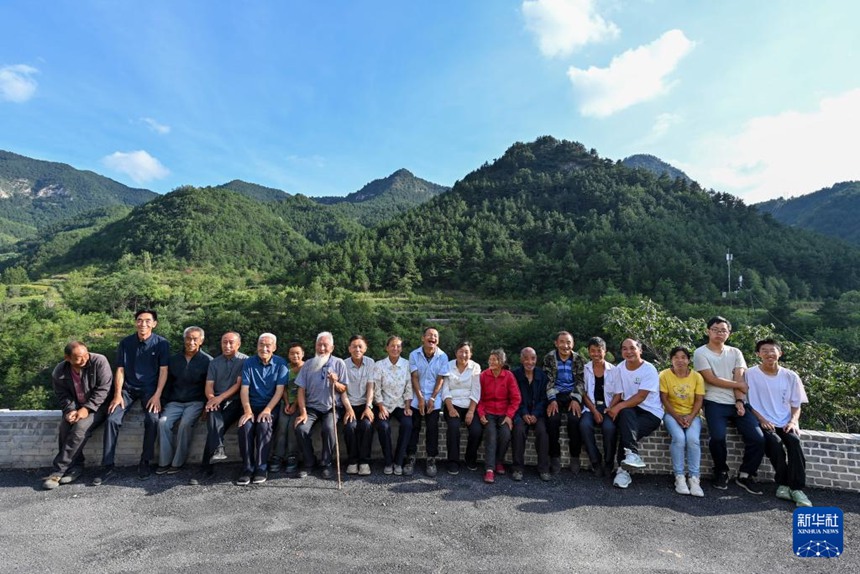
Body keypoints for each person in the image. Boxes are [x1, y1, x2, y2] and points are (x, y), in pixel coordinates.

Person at [95, 309, 170, 484]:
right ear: (135, 322)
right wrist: (117, 395)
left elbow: (164, 370)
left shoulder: (161, 344)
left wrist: (158, 395)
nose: (143, 324)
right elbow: (120, 369)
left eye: (147, 321)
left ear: (154, 323)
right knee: (112, 419)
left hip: (150, 389)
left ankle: (145, 461)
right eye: (139, 320)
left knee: (152, 419)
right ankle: (107, 465)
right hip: (128, 389)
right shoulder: (126, 343)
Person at [693, 316, 765, 493]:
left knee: (758, 438)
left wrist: (739, 400)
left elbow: (739, 376)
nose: (719, 333)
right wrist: (739, 385)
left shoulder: (735, 352)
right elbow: (711, 379)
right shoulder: (700, 352)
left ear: (729, 333)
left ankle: (746, 474)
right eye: (715, 329)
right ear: (708, 331)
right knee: (717, 437)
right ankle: (720, 470)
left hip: (737, 402)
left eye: (723, 330)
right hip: (714, 402)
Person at [746, 339, 812, 507]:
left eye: (772, 350)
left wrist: (793, 421)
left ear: (780, 353)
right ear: (758, 354)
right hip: (763, 421)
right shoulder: (750, 374)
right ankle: (782, 483)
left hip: (784, 421)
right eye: (764, 350)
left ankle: (797, 489)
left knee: (794, 442)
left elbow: (796, 404)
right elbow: (747, 401)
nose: (769, 353)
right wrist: (761, 419)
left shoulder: (790, 376)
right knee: (774, 444)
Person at [43, 342, 112, 490]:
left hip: (99, 407)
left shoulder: (99, 361)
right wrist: (70, 410)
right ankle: (76, 467)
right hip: (77, 408)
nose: (85, 359)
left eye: (86, 354)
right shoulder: (60, 371)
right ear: (67, 358)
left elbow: (104, 389)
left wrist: (87, 409)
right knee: (64, 427)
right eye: (79, 357)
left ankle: (58, 471)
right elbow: (63, 395)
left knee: (80, 428)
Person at [606, 338, 664, 489]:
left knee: (626, 428)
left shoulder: (649, 369)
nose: (628, 352)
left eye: (632, 348)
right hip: (630, 410)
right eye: (624, 349)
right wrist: (611, 407)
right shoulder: (619, 368)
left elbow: (640, 397)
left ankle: (623, 470)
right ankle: (631, 457)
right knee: (626, 419)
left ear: (640, 350)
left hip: (651, 412)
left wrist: (618, 408)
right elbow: (618, 393)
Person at [294, 331, 351, 479]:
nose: (322, 348)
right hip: (311, 407)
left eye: (325, 345)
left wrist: (335, 382)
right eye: (319, 345)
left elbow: (344, 389)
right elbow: (301, 390)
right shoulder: (308, 364)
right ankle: (309, 462)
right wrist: (303, 412)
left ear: (332, 348)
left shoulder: (339, 363)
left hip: (331, 407)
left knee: (329, 428)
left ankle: (326, 464)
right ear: (315, 346)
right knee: (301, 428)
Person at [157, 327, 212, 475]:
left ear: (201, 341)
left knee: (185, 424)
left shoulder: (207, 361)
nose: (191, 342)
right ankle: (164, 462)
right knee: (162, 423)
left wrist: (206, 406)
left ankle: (177, 462)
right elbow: (168, 383)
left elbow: (211, 386)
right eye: (188, 338)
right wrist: (162, 401)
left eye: (195, 339)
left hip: (195, 402)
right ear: (184, 339)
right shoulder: (174, 360)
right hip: (174, 402)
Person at [195, 331, 247, 484]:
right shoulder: (214, 362)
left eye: (231, 342)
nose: (227, 345)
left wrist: (219, 398)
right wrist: (211, 399)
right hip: (217, 400)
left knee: (216, 427)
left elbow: (238, 385)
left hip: (235, 401)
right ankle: (217, 449)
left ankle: (206, 467)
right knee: (213, 415)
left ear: (238, 344)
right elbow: (209, 385)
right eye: (224, 342)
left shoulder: (244, 361)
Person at [236, 333, 287, 485]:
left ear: (274, 347)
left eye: (268, 345)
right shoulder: (249, 363)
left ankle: (261, 467)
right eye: (261, 344)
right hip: (251, 405)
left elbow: (279, 391)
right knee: (245, 426)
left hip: (270, 405)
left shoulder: (281, 363)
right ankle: (247, 467)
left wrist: (267, 410)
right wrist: (247, 410)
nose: (264, 348)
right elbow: (244, 389)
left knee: (265, 425)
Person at [659, 346, 705, 497]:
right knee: (679, 439)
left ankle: (694, 478)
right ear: (671, 360)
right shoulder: (664, 375)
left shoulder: (696, 377)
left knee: (693, 440)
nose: (680, 360)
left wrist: (690, 417)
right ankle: (679, 477)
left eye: (683, 357)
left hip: (692, 415)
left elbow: (699, 400)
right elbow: (664, 399)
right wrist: (677, 417)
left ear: (688, 360)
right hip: (672, 415)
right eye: (676, 357)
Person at [406, 327, 449, 477]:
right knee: (414, 427)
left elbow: (441, 379)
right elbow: (414, 377)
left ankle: (431, 459)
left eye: (435, 336)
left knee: (432, 428)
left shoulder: (443, 356)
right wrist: (420, 398)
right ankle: (410, 457)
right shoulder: (414, 354)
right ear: (423, 338)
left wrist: (431, 398)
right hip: (416, 397)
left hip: (434, 399)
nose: (433, 338)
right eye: (430, 335)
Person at [478, 349, 522, 484]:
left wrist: (509, 416)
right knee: (490, 435)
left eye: (494, 360)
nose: (491, 362)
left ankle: (499, 461)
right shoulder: (483, 375)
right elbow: (477, 397)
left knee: (505, 435)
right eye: (490, 359)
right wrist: (481, 413)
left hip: (504, 412)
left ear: (501, 362)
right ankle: (489, 470)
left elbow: (516, 398)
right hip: (489, 412)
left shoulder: (508, 376)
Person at [544, 331, 585, 474]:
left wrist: (575, 399)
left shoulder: (579, 359)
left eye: (568, 342)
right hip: (555, 393)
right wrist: (552, 399)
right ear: (556, 343)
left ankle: (575, 456)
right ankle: (554, 456)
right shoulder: (549, 358)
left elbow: (581, 380)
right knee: (552, 420)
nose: (565, 345)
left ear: (572, 344)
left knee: (574, 420)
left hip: (572, 393)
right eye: (562, 342)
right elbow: (548, 380)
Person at [373, 335, 413, 475]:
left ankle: (399, 461)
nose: (395, 348)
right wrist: (381, 407)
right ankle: (388, 461)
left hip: (401, 404)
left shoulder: (407, 364)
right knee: (383, 426)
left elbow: (409, 386)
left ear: (401, 348)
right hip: (384, 404)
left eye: (398, 346)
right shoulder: (379, 365)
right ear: (387, 347)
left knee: (408, 424)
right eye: (392, 345)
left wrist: (408, 406)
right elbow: (376, 388)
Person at [441, 341, 482, 475]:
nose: (463, 355)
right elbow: (445, 389)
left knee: (476, 430)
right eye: (461, 351)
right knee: (453, 428)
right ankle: (453, 461)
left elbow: (476, 391)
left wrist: (471, 411)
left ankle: (470, 458)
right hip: (452, 404)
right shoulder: (448, 365)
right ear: (456, 352)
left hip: (470, 405)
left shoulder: (475, 367)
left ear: (471, 354)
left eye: (466, 352)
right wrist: (450, 408)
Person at [579, 337, 616, 478]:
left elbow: (618, 393)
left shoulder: (614, 370)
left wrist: (610, 408)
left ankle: (608, 463)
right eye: (592, 351)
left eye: (599, 351)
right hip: (590, 407)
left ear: (605, 351)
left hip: (609, 407)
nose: (596, 354)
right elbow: (583, 393)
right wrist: (594, 411)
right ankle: (595, 461)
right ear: (588, 352)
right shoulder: (584, 369)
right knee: (584, 425)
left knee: (609, 428)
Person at [511, 347, 550, 481]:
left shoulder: (542, 376)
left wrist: (535, 414)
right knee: (519, 430)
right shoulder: (515, 375)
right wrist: (524, 413)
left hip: (537, 413)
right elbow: (514, 397)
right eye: (526, 358)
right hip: (520, 412)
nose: (529, 362)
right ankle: (518, 468)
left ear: (536, 359)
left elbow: (544, 399)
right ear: (521, 360)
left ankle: (543, 469)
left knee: (542, 432)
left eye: (532, 358)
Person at [268, 342, 304, 475]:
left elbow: (304, 390)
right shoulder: (285, 368)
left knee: (292, 427)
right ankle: (277, 456)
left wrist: (295, 405)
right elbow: (282, 388)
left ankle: (292, 456)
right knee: (282, 426)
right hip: (286, 402)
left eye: (297, 353)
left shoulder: (306, 368)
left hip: (301, 403)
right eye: (292, 353)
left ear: (302, 354)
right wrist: (288, 403)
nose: (295, 356)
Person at [342, 335, 375, 476]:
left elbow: (370, 387)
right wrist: (348, 409)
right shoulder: (343, 364)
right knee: (350, 427)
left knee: (367, 426)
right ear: (349, 348)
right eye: (354, 346)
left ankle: (364, 461)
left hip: (365, 403)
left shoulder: (370, 362)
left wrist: (368, 406)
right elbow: (342, 390)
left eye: (360, 346)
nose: (357, 349)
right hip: (349, 404)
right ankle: (352, 461)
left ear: (365, 348)